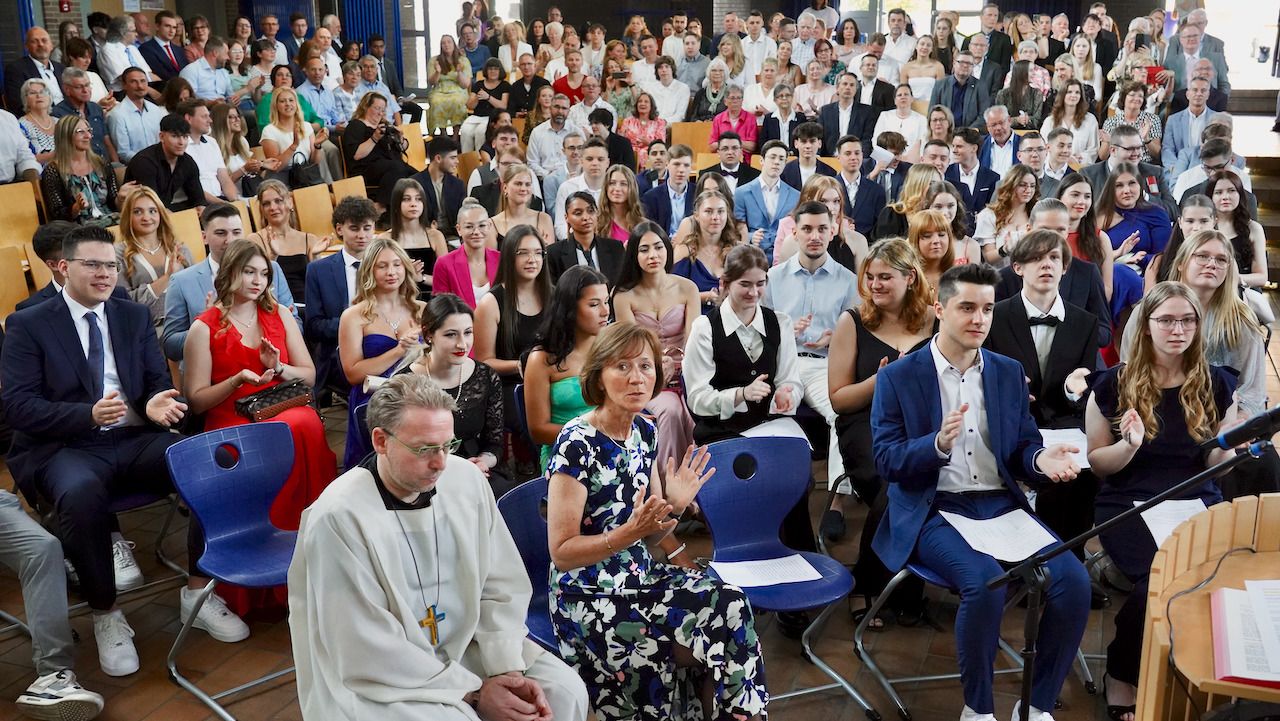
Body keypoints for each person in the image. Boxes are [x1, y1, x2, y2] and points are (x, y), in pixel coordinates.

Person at [3, 225, 248, 679]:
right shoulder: (29, 323)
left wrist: (155, 402)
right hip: (67, 446)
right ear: (64, 267)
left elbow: (155, 381)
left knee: (203, 465)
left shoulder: (131, 315)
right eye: (92, 265)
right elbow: (17, 406)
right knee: (79, 494)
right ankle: (106, 613)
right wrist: (86, 415)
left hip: (134, 438)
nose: (104, 274)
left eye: (110, 266)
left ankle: (197, 592)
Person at [289, 372, 589, 720]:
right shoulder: (338, 517)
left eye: (448, 445)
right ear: (381, 441)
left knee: (565, 691)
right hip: (389, 674)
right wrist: (473, 694)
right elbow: (362, 642)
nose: (440, 463)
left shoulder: (465, 480)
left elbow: (500, 583)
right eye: (424, 449)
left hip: (470, 644)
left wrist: (506, 668)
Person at [871, 261, 1089, 721]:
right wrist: (935, 445)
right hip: (934, 506)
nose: (979, 319)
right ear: (939, 308)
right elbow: (886, 461)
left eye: (987, 309)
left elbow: (1023, 445)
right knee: (986, 583)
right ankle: (978, 710)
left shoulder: (1007, 372)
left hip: (999, 504)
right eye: (967, 308)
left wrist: (1040, 460)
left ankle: (1037, 706)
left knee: (1074, 582)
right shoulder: (899, 376)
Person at [547, 319, 766, 719]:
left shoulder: (645, 431)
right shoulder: (575, 442)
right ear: (598, 376)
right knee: (723, 626)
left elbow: (649, 536)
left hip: (638, 575)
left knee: (732, 604)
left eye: (645, 366)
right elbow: (561, 553)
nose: (637, 378)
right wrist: (629, 532)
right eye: (622, 366)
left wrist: (675, 507)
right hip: (589, 594)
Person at [1086, 281, 1236, 721]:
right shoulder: (1112, 384)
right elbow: (1098, 464)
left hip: (1195, 499)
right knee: (1159, 580)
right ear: (1146, 325)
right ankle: (1121, 670)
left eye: (1187, 320)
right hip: (1128, 502)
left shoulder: (1215, 382)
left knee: (1217, 576)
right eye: (1167, 320)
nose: (1178, 330)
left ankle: (1197, 667)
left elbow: (1213, 465)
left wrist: (1230, 450)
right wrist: (1129, 445)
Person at [182, 237, 335, 615]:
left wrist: (278, 367)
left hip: (277, 403)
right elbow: (197, 400)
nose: (257, 281)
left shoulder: (278, 313)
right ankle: (269, 559)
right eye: (248, 272)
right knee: (291, 429)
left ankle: (310, 552)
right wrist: (236, 380)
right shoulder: (204, 327)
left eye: (264, 273)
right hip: (230, 416)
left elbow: (309, 377)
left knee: (302, 423)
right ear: (229, 272)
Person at [829, 238, 936, 625]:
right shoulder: (853, 322)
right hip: (866, 423)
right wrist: (881, 381)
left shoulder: (935, 321)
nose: (874, 285)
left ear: (911, 278)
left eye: (885, 277)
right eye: (870, 277)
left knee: (932, 477)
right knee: (897, 481)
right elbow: (839, 399)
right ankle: (870, 581)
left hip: (921, 424)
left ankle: (906, 580)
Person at [984, 229, 1101, 553]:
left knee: (1082, 474)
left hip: (1063, 425)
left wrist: (1073, 391)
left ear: (1065, 267)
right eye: (1036, 258)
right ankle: (1019, 559)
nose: (1046, 264)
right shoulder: (994, 316)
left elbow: (1080, 393)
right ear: (1017, 267)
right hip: (1009, 424)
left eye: (1053, 257)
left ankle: (1069, 557)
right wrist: (1004, 390)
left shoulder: (1085, 322)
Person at [764, 199, 859, 536]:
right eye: (807, 229)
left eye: (822, 229)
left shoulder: (848, 280)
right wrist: (784, 333)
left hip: (824, 366)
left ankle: (836, 502)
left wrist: (837, 337)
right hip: (783, 364)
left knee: (841, 414)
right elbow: (759, 332)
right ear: (795, 232)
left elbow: (857, 333)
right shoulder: (773, 277)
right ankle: (775, 502)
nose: (815, 236)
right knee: (768, 413)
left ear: (833, 231)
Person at [397, 294, 509, 494]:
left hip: (476, 468)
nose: (462, 344)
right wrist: (458, 470)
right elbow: (403, 450)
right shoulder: (405, 383)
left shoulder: (485, 375)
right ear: (429, 334)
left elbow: (495, 443)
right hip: (426, 475)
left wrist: (483, 461)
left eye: (468, 333)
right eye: (451, 335)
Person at [612, 220, 700, 475]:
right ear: (634, 254)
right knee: (670, 411)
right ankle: (665, 483)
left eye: (658, 247)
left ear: (667, 249)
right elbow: (632, 346)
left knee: (695, 413)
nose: (653, 255)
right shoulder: (623, 295)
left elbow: (694, 339)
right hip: (645, 374)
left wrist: (681, 366)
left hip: (687, 370)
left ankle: (697, 483)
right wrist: (657, 365)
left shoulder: (687, 287)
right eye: (644, 249)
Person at [162, 203, 297, 362]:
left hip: (271, 363)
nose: (230, 240)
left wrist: (280, 325)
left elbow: (296, 323)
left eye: (236, 232)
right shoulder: (182, 281)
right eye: (221, 233)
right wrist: (206, 325)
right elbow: (170, 346)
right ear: (204, 237)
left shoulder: (270, 269)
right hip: (210, 370)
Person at [339, 238, 424, 469]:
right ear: (369, 271)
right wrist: (399, 350)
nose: (391, 272)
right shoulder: (353, 316)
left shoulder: (422, 310)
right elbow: (353, 374)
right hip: (373, 395)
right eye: (382, 266)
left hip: (418, 391)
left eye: (397, 264)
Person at [525, 265, 610, 467]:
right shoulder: (541, 359)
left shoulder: (609, 347)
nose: (605, 311)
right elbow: (538, 431)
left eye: (606, 302)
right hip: (565, 450)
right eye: (594, 304)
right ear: (570, 308)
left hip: (610, 443)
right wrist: (595, 434)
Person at [304, 196, 379, 391]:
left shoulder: (386, 265)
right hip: (338, 353)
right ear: (339, 229)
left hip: (381, 346)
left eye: (367, 228)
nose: (362, 235)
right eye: (354, 228)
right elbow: (313, 326)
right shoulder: (318, 270)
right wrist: (354, 326)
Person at [114, 185, 193, 327]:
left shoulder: (179, 248)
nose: (146, 217)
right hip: (146, 329)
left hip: (187, 323)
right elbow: (122, 303)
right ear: (128, 216)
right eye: (137, 212)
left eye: (152, 211)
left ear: (160, 214)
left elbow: (196, 289)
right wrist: (167, 278)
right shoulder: (117, 254)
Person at [246, 179, 327, 305]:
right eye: (266, 204)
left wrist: (315, 256)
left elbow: (319, 282)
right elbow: (257, 282)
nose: (273, 207)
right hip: (274, 306)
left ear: (290, 202)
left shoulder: (309, 239)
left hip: (307, 305)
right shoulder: (254, 240)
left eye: (278, 201)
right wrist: (273, 256)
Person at [774, 175, 870, 274]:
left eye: (836, 201)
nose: (831, 207)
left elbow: (862, 282)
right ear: (809, 201)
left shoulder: (858, 241)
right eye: (823, 201)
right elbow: (781, 278)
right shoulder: (791, 242)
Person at [41, 115, 127, 226]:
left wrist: (121, 198)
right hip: (78, 227)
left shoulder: (101, 163)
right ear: (66, 136)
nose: (88, 136)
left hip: (110, 220)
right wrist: (77, 207)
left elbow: (113, 203)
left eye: (89, 131)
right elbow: (57, 215)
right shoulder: (53, 171)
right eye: (80, 132)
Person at [342, 92, 417, 210]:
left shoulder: (385, 126)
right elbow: (356, 154)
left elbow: (403, 147)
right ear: (365, 107)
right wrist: (374, 138)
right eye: (377, 108)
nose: (380, 113)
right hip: (366, 168)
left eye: (383, 110)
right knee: (396, 168)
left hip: (392, 167)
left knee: (418, 176)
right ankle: (381, 207)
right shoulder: (355, 126)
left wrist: (400, 138)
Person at [1096, 162, 1171, 273]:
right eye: (1119, 185)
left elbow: (1163, 258)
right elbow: (1088, 257)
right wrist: (1121, 258)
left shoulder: (1157, 214)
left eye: (1132, 183)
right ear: (1111, 189)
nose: (1127, 191)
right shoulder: (1098, 216)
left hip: (1147, 275)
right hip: (1106, 275)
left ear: (1140, 185)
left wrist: (1139, 259)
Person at [380, 178, 450, 296]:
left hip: (433, 299)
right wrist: (405, 275)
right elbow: (380, 279)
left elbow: (447, 280)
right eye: (406, 199)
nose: (413, 204)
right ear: (397, 204)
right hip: (398, 297)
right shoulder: (385, 239)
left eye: (418, 199)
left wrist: (421, 278)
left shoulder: (436, 236)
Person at [734, 140, 799, 263]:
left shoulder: (795, 196)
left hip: (784, 256)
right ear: (762, 160)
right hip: (752, 256)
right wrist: (751, 236)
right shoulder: (741, 193)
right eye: (772, 157)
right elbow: (735, 228)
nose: (776, 162)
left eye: (781, 159)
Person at [432, 200, 501, 309]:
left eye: (482, 225)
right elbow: (440, 309)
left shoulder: (501, 259)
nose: (476, 232)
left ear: (489, 226)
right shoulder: (444, 264)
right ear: (459, 229)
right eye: (469, 227)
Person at [261, 86, 334, 185]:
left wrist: (317, 145)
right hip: (281, 179)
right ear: (276, 106)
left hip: (306, 175)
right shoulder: (269, 130)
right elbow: (276, 166)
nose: (288, 104)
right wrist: (293, 146)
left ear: (296, 104)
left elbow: (315, 162)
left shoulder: (307, 126)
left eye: (291, 100)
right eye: (282, 101)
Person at [1208, 171, 1268, 288]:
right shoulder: (1204, 226)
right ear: (1210, 196)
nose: (1225, 197)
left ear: (1240, 194)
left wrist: (1230, 279)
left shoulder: (1254, 228)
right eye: (1218, 192)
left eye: (1231, 191)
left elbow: (1261, 277)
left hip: (1241, 289)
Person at [975, 165, 1037, 267]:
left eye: (1032, 186)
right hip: (1000, 274)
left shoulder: (1037, 214)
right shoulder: (989, 215)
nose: (1028, 190)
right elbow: (988, 257)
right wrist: (1005, 250)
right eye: (1023, 185)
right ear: (1011, 185)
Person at [211, 103, 275, 197]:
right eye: (231, 117)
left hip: (249, 193)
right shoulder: (213, 147)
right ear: (220, 121)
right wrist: (244, 169)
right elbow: (220, 185)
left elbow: (250, 175)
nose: (237, 119)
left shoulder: (242, 141)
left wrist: (261, 165)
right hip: (231, 198)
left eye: (238, 116)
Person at [489, 162, 554, 247]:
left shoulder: (544, 219)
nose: (523, 188)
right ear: (505, 188)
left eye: (527, 184)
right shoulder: (492, 224)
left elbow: (550, 254)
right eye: (518, 184)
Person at [4, 27, 66, 114]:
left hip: (69, 117)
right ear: (27, 46)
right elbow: (17, 104)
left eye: (44, 40)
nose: (40, 44)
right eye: (34, 41)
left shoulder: (61, 68)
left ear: (51, 45)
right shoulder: (16, 70)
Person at [1101, 83, 1162, 165]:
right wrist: (1108, 142)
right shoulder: (1111, 122)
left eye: (1140, 96)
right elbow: (1102, 157)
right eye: (1132, 95)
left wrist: (1146, 139)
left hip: (1143, 165)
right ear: (1124, 98)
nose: (1136, 98)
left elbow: (1157, 154)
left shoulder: (1152, 120)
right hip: (1119, 165)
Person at [1039, 80, 1097, 166]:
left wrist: (1081, 157)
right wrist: (1062, 159)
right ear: (1063, 95)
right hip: (1054, 168)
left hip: (1080, 168)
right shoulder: (1049, 121)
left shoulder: (1090, 120)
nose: (1073, 95)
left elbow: (1093, 150)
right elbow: (1043, 148)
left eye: (1077, 92)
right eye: (1069, 92)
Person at [929, 51, 989, 130]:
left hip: (970, 132)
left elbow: (984, 114)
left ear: (973, 67)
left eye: (969, 63)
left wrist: (967, 132)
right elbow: (932, 111)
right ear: (954, 64)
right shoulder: (940, 85)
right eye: (961, 62)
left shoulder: (980, 86)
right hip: (945, 131)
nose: (965, 66)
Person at [17, 78, 57, 166]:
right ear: (25, 99)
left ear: (49, 97)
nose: (39, 96)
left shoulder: (59, 122)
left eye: (43, 92)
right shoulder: (21, 125)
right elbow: (24, 159)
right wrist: (59, 154)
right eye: (32, 93)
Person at [900, 35, 945, 103]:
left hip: (931, 105)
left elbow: (940, 92)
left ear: (932, 49)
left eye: (928, 45)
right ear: (916, 46)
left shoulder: (938, 67)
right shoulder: (906, 67)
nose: (925, 47)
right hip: (911, 105)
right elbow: (903, 91)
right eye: (922, 44)